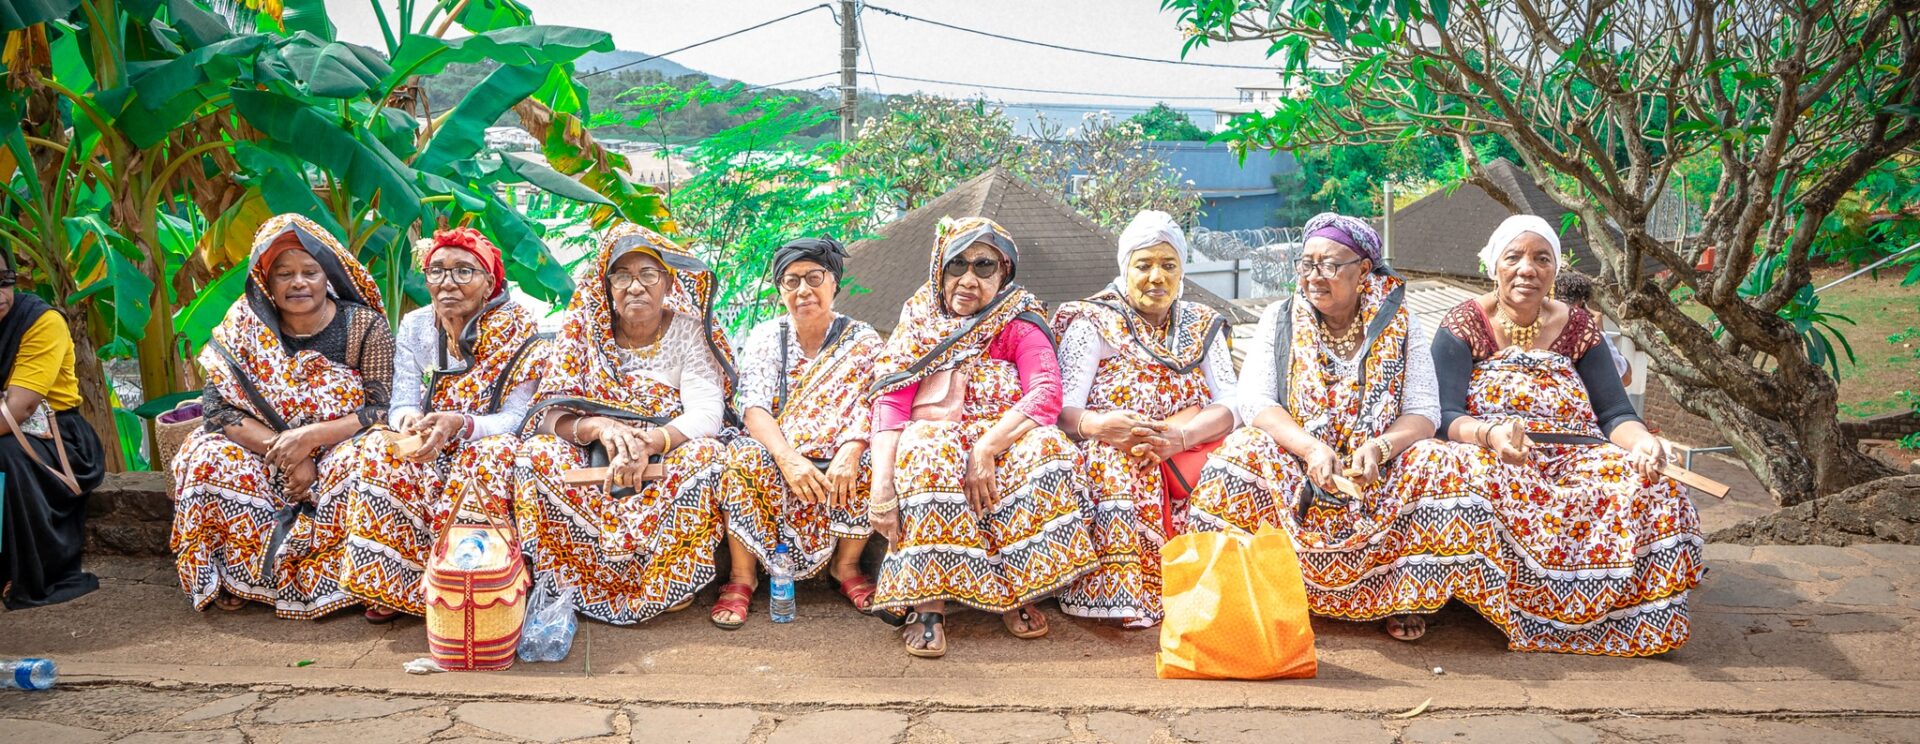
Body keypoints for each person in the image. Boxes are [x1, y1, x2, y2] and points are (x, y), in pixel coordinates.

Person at [1425, 214, 1703, 656]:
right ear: (1495, 265)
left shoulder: (1577, 326)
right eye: (1514, 257)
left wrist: (1644, 444)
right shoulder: (1463, 324)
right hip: (1495, 451)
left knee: (1655, 487)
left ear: (1555, 271)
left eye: (1542, 259)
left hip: (1580, 453)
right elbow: (1445, 414)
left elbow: (1614, 413)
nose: (1527, 269)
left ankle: (1629, 619)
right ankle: (1496, 604)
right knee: (1454, 472)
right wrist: (1491, 435)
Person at [1186, 212, 1457, 641]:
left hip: (1378, 473)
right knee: (1241, 453)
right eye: (1307, 264)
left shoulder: (1403, 323)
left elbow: (1424, 411)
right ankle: (1242, 597)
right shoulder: (1280, 318)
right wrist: (1311, 448)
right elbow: (1256, 401)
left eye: (1330, 266)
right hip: (1297, 463)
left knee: (1436, 459)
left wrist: (1382, 448)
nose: (1315, 276)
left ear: (1363, 270)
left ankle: (1402, 596)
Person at [867, 216, 1097, 659]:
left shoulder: (1017, 319)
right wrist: (881, 486)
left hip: (1001, 435)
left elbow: (1046, 392)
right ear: (940, 269)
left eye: (984, 266)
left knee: (1047, 449)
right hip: (936, 434)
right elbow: (891, 403)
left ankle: (1021, 590)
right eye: (957, 265)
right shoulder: (918, 321)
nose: (968, 279)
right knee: (925, 450)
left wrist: (988, 447)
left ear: (1004, 272)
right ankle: (928, 603)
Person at [170, 214, 394, 619]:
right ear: (265, 281)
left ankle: (350, 579)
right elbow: (219, 410)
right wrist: (288, 450)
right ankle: (238, 576)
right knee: (204, 456)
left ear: (329, 276)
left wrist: (310, 439)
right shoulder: (243, 328)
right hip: (264, 446)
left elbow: (383, 409)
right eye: (284, 274)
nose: (298, 283)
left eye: (310, 271)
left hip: (342, 443)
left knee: (374, 458)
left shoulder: (364, 326)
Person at [512, 223, 735, 625]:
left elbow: (707, 413)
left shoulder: (688, 331)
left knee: (710, 456)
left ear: (668, 282)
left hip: (666, 449)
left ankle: (665, 581)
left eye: (648, 275)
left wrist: (648, 442)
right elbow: (547, 417)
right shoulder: (583, 331)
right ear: (607, 286)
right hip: (592, 453)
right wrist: (600, 428)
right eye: (623, 276)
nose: (636, 287)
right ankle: (576, 582)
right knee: (533, 456)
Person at [342, 227, 546, 623]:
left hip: (488, 437)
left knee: (491, 456)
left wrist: (460, 424)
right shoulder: (417, 326)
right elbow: (401, 400)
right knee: (378, 449)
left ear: (490, 283)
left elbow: (518, 418)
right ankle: (393, 583)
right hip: (433, 434)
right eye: (437, 271)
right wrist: (411, 422)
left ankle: (469, 584)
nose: (448, 283)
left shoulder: (517, 328)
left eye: (464, 272)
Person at [1051, 211, 1238, 629]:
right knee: (1116, 462)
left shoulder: (1202, 323)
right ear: (1125, 269)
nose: (1157, 277)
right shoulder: (1092, 321)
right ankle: (1127, 595)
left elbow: (1233, 403)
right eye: (1144, 265)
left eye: (1168, 266)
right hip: (1114, 442)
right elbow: (1062, 409)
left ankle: (1213, 591)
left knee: (1241, 460)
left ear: (1182, 270)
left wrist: (1181, 437)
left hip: (1189, 444)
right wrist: (1102, 427)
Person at [715, 238, 884, 629]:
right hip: (781, 447)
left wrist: (852, 448)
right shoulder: (767, 336)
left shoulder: (862, 340)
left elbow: (875, 403)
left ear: (834, 283)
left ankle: (846, 567)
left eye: (813, 278)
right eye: (791, 282)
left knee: (875, 461)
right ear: (780, 292)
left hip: (839, 449)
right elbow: (753, 406)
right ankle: (743, 575)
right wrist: (787, 458)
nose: (803, 290)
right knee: (740, 461)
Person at [0, 255, 107, 609]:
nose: (2, 293)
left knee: (6, 456)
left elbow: (19, 410)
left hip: (57, 437)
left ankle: (29, 572)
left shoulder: (41, 321)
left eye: (5, 280)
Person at [1553, 271, 1631, 385]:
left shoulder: (1530, 332)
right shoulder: (1586, 340)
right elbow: (1625, 378)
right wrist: (1600, 334)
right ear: (1581, 305)